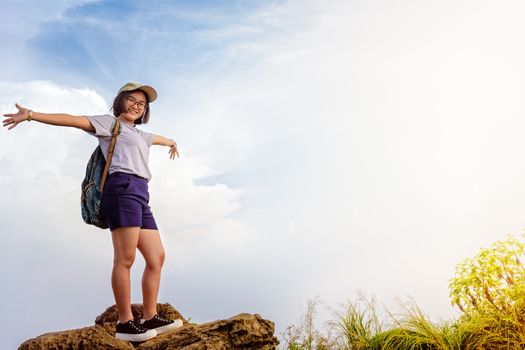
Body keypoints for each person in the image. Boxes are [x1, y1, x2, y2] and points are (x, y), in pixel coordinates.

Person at [3, 82, 183, 342]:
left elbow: (159, 139)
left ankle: (151, 316)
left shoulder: (142, 135)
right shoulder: (109, 125)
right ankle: (125, 324)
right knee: (126, 258)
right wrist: (31, 115)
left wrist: (172, 142)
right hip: (121, 189)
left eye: (142, 104)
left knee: (156, 257)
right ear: (121, 101)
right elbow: (73, 120)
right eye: (132, 100)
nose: (136, 106)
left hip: (141, 192)